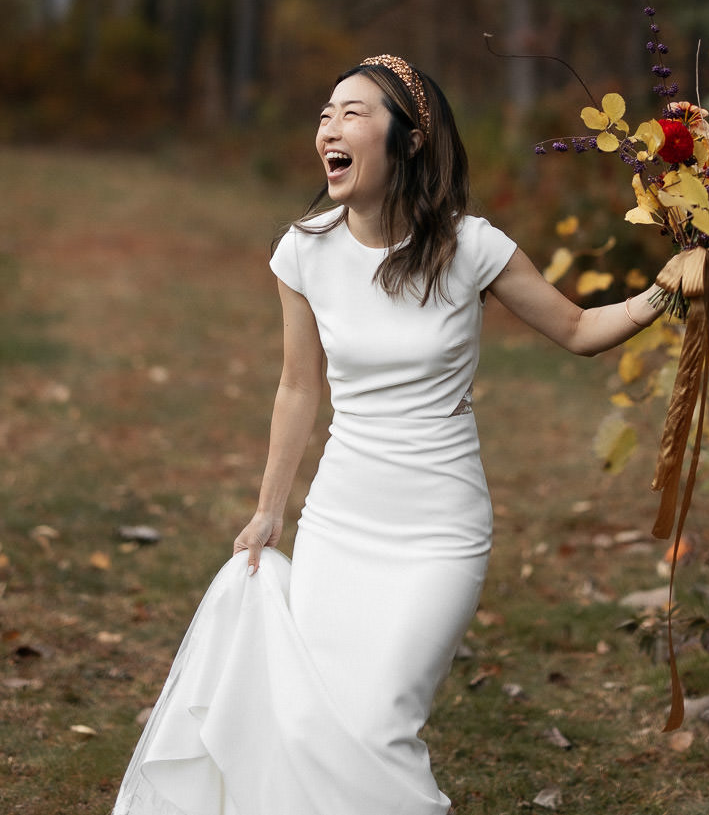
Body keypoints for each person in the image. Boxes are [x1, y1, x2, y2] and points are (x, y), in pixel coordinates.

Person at [114, 54, 675, 815]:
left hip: (439, 530)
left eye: (353, 113)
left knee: (379, 725)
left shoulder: (471, 245)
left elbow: (577, 328)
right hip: (341, 521)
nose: (330, 127)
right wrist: (270, 508)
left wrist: (664, 290)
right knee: (316, 719)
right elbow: (297, 385)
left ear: (409, 140)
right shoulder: (303, 250)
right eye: (324, 114)